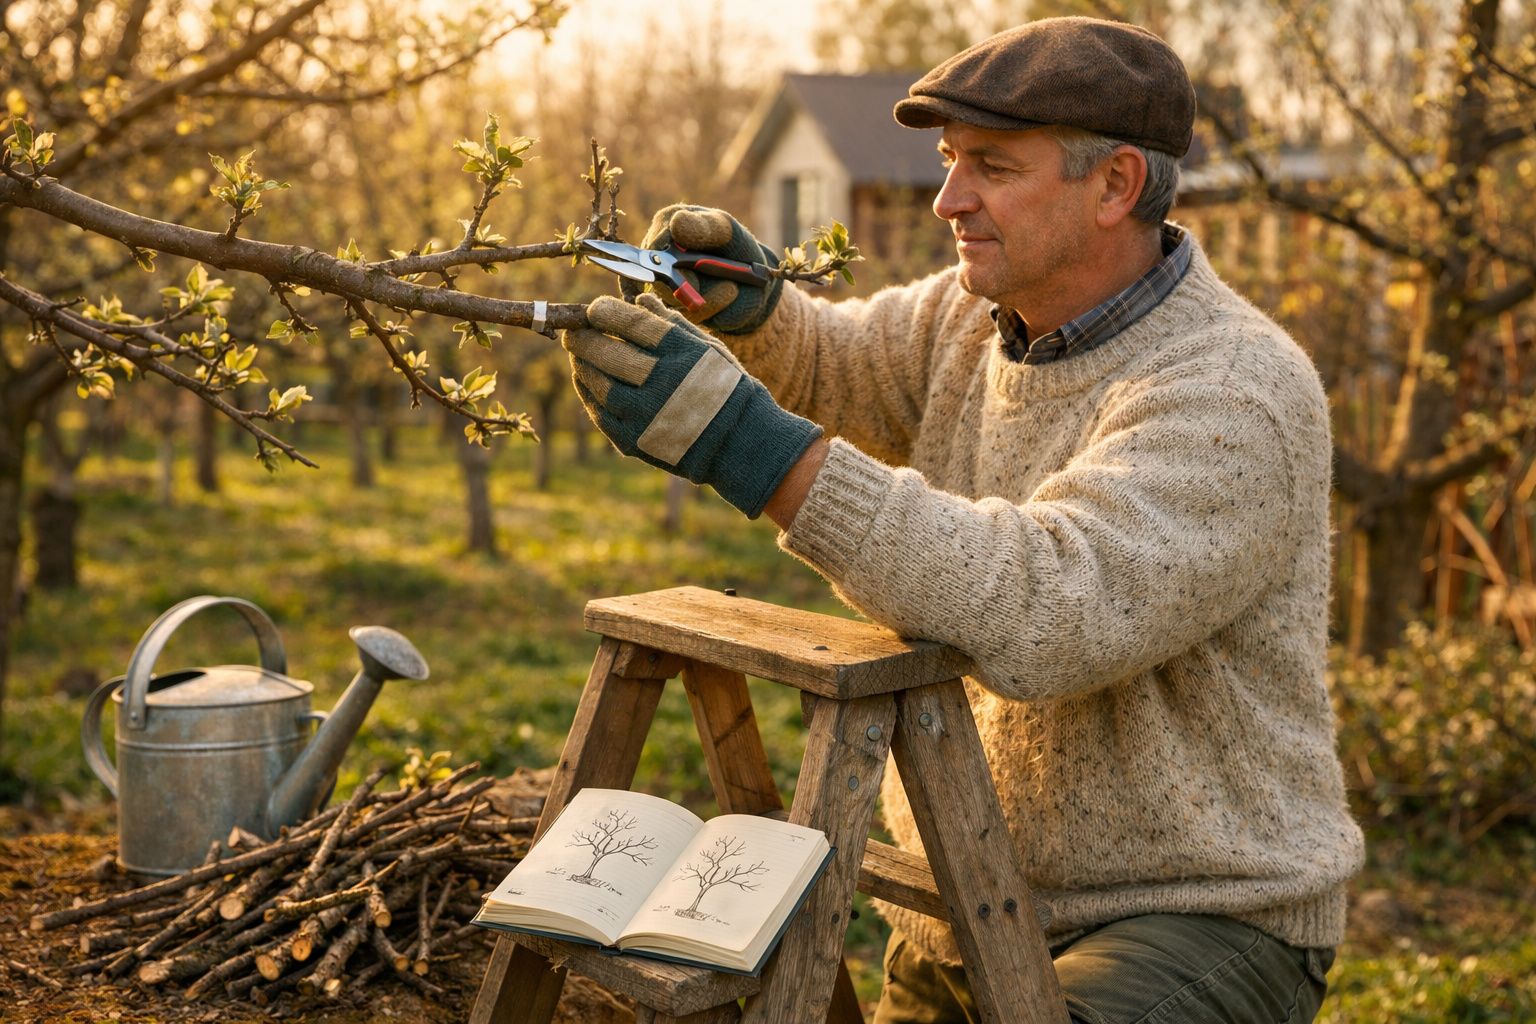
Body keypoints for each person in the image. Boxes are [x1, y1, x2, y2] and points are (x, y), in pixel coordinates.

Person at [561, 16, 1364, 1024]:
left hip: (1191, 913)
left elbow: (1045, 605)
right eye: (949, 162)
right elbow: (845, 369)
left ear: (1116, 186)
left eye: (990, 166)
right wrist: (755, 315)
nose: (949, 199)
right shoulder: (971, 315)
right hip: (966, 900)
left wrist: (749, 448)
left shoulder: (1235, 391)